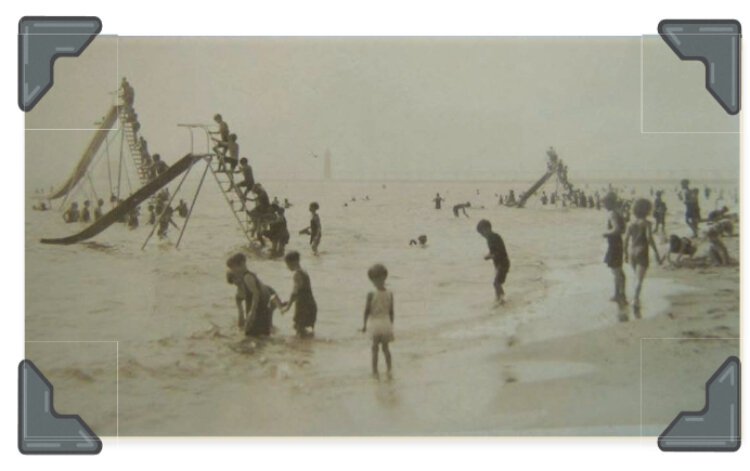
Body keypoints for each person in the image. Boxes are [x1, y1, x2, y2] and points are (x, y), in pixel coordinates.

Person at [623, 199, 662, 311]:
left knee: (636, 276)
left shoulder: (630, 224)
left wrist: (625, 253)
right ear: (647, 210)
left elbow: (625, 240)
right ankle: (635, 299)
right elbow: (649, 238)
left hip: (632, 251)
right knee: (640, 279)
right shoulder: (647, 223)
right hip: (642, 251)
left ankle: (635, 297)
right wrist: (656, 252)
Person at [226, 253, 276, 336]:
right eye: (234, 283)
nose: (237, 283)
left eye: (233, 268)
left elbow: (257, 293)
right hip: (263, 300)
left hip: (268, 297)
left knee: (262, 329)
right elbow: (241, 314)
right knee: (257, 332)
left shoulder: (248, 277)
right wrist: (241, 328)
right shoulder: (239, 294)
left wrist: (252, 313)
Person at [361, 263, 394, 378]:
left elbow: (367, 311)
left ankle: (375, 371)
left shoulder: (371, 294)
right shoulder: (390, 293)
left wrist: (364, 325)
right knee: (386, 348)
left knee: (375, 348)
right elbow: (391, 311)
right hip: (386, 323)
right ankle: (389, 369)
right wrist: (391, 324)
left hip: (375, 323)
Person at [281, 251, 318, 337]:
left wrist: (287, 307)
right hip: (310, 304)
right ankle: (307, 348)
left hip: (304, 306)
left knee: (300, 330)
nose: (287, 267)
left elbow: (295, 292)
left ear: (293, 262)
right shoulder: (304, 272)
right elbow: (302, 292)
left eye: (287, 264)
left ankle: (302, 349)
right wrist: (290, 301)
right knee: (304, 331)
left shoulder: (297, 274)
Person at [476, 219, 510, 305]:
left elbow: (499, 252)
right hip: (499, 263)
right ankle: (499, 299)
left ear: (487, 229)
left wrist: (490, 256)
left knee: (496, 283)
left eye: (482, 233)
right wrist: (489, 255)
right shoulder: (491, 238)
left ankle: (501, 300)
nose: (482, 235)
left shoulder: (493, 237)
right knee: (497, 283)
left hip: (503, 263)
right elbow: (493, 251)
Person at [602, 192, 627, 305]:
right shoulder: (619, 212)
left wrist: (606, 233)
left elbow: (616, 229)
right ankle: (622, 293)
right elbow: (623, 229)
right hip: (618, 243)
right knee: (619, 270)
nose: (603, 205)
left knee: (615, 270)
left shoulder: (612, 213)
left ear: (609, 203)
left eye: (605, 202)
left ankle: (617, 294)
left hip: (614, 243)